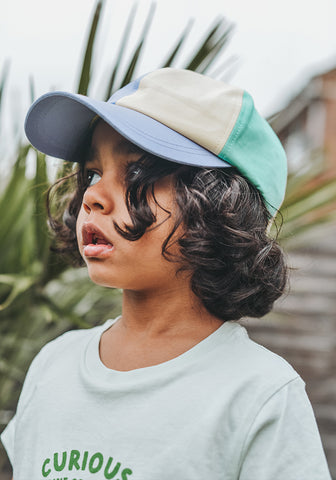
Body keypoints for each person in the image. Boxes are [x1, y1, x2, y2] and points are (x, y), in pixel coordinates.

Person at [1, 68, 331, 479]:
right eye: (93, 173)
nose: (92, 196)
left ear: (220, 204)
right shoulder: (53, 365)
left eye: (137, 172)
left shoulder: (260, 395)